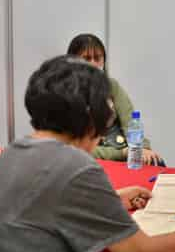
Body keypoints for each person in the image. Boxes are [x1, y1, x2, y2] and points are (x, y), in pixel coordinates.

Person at [0, 55, 175, 252]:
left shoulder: (10, 153)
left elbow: (41, 206)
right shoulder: (76, 167)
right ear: (90, 118)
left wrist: (112, 200)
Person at [67, 33, 163, 166]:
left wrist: (142, 149)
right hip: (89, 155)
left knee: (155, 162)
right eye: (87, 58)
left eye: (97, 58)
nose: (93, 63)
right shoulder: (65, 92)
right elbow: (74, 147)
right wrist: (121, 153)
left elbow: (130, 121)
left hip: (122, 147)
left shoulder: (111, 85)